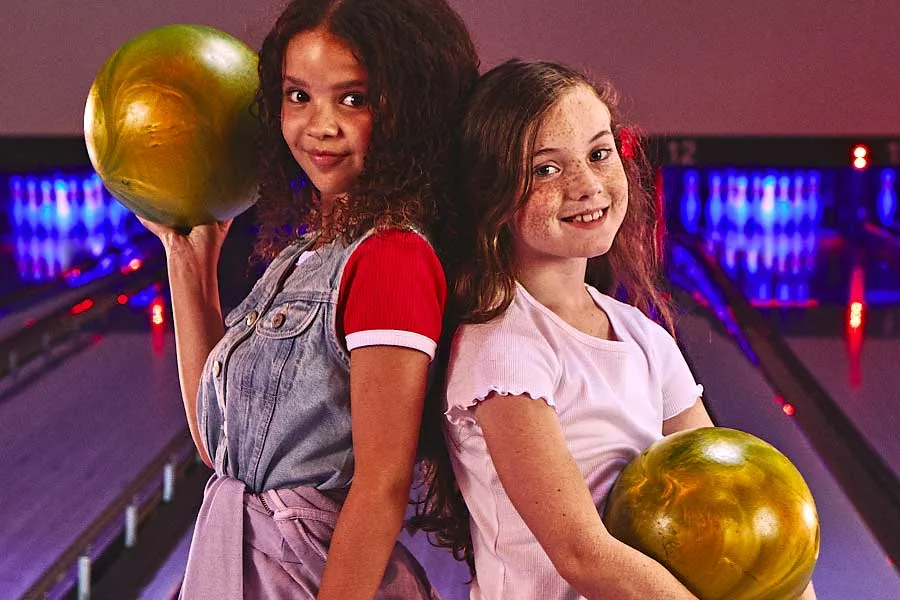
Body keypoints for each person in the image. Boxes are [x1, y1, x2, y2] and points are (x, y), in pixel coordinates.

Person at [413, 60, 817, 600]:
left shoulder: (643, 337)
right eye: (545, 170)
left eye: (599, 154)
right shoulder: (504, 347)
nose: (586, 184)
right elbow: (584, 555)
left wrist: (789, 585)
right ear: (493, 193)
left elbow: (733, 499)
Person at [140, 1, 479, 598]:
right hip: (251, 567)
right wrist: (188, 259)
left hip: (314, 577)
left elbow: (381, 484)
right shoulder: (305, 257)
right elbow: (224, 451)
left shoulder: (391, 259)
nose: (319, 126)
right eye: (298, 96)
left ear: (414, 110)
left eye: (354, 98)